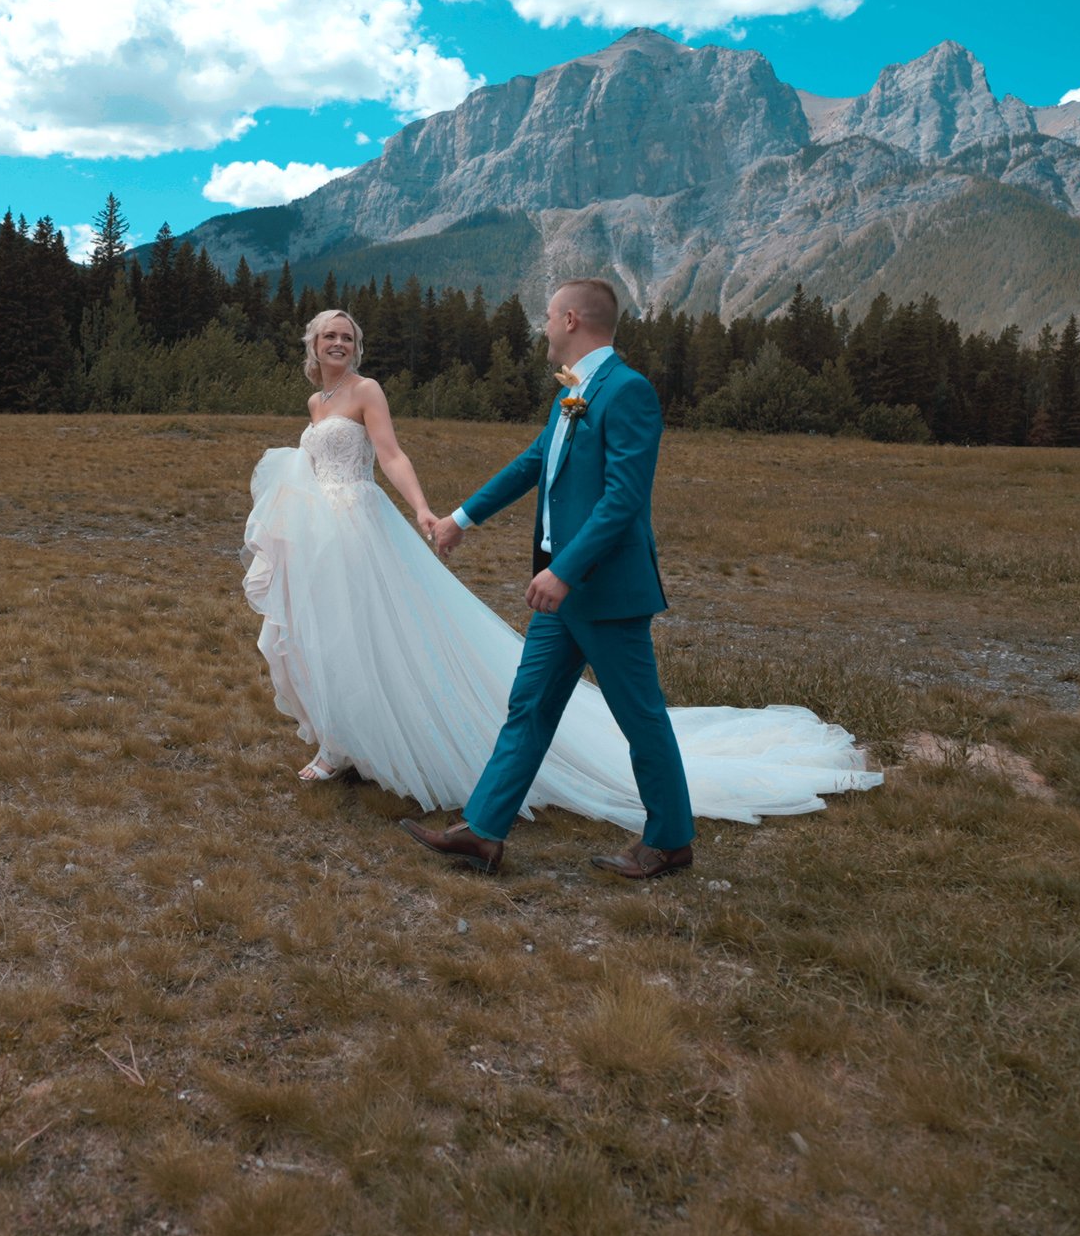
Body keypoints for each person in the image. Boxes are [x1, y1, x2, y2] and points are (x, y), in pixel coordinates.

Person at [239, 286, 879, 876]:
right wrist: (462, 517)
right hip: (560, 591)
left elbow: (624, 500)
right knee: (530, 708)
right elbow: (534, 462)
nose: (543, 326)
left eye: (549, 316)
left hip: (602, 589)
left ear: (571, 320)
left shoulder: (627, 391)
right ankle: (484, 831)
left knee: (641, 718)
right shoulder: (573, 389)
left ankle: (670, 839)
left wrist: (564, 572)